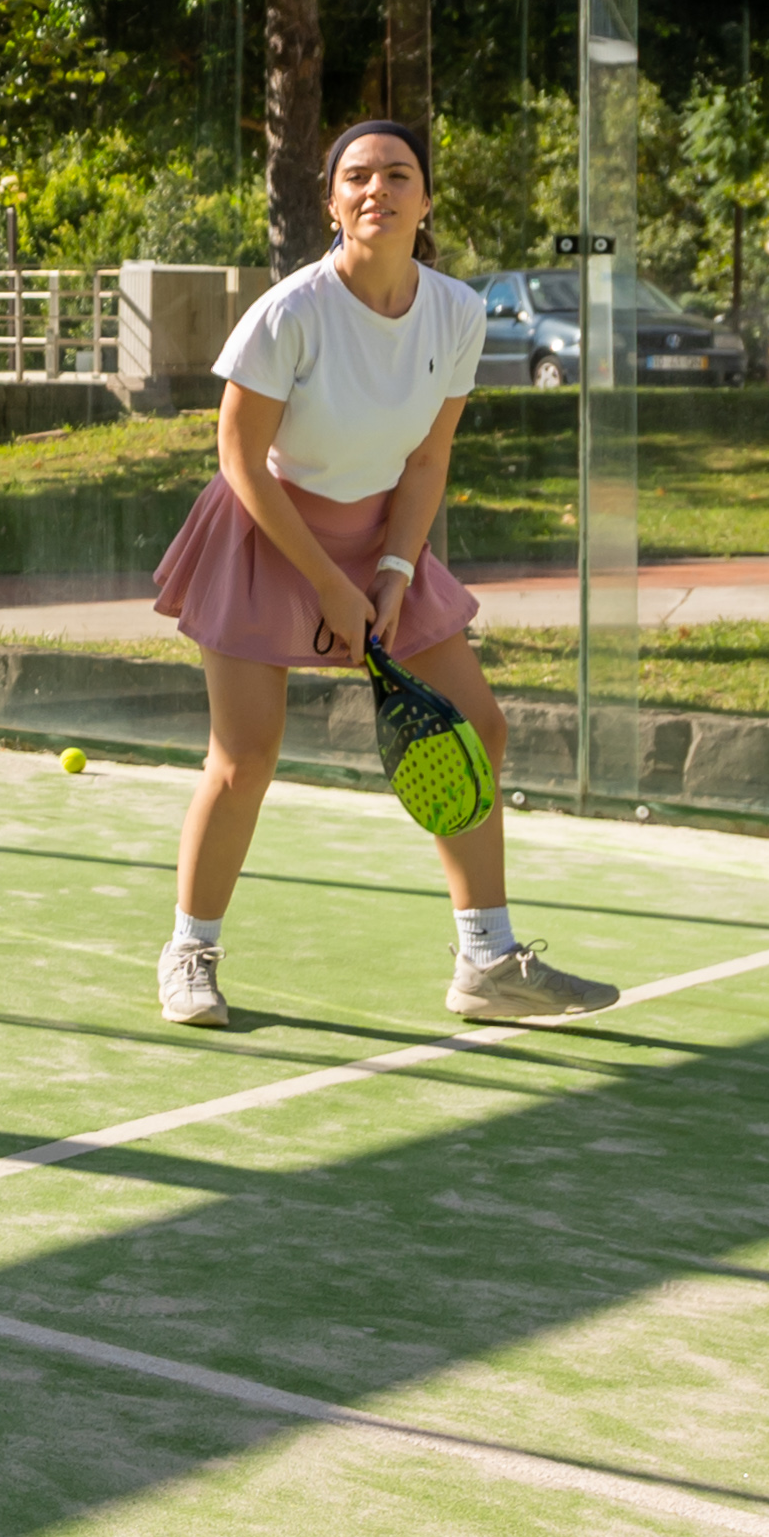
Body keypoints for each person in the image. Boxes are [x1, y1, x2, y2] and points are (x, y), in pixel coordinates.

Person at [144, 117, 613, 1033]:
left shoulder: (458, 312)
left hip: (380, 535)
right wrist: (327, 581)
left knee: (477, 727)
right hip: (264, 531)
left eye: (398, 175)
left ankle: (486, 960)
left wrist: (394, 568)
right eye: (356, 176)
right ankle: (188, 953)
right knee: (244, 757)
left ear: (425, 200)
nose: (377, 190)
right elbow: (238, 459)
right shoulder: (288, 312)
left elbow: (428, 457)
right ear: (330, 203)